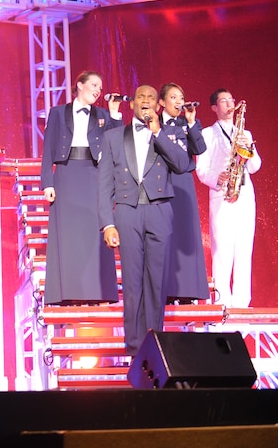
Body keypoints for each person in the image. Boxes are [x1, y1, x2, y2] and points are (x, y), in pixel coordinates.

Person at [97, 85, 189, 356]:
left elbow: (182, 164)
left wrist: (158, 132)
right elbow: (103, 185)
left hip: (159, 211)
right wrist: (107, 223)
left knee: (156, 282)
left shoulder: (170, 132)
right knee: (133, 282)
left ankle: (155, 346)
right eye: (141, 97)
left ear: (157, 106)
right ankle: (135, 349)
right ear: (132, 103)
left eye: (151, 98)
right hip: (127, 212)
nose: (146, 101)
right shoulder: (113, 137)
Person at [40, 70, 124, 306]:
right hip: (66, 174)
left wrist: (116, 115)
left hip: (94, 174)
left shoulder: (104, 114)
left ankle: (98, 292)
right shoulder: (58, 113)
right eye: (94, 85)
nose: (98, 90)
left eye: (100, 86)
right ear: (79, 85)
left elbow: (117, 143)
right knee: (69, 235)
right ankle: (68, 292)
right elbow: (47, 149)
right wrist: (47, 181)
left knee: (94, 231)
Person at [195, 89, 262, 308]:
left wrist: (247, 148)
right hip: (222, 195)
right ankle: (222, 302)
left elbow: (255, 166)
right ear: (214, 107)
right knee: (222, 250)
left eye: (231, 100)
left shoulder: (246, 133)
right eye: (223, 101)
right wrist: (218, 177)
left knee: (244, 249)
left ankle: (243, 302)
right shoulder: (207, 134)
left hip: (244, 196)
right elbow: (201, 170)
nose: (229, 104)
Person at [158, 83, 210, 303]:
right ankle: (165, 290)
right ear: (161, 102)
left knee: (184, 235)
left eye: (181, 97)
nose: (179, 102)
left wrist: (191, 122)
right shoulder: (152, 124)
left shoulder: (186, 123)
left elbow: (200, 149)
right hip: (160, 182)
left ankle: (188, 291)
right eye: (173, 97)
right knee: (163, 234)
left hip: (183, 183)